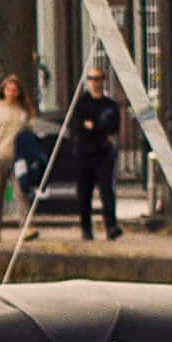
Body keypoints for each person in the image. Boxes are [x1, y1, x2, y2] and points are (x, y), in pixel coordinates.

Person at [60, 72, 127, 240]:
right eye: (92, 79)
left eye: (98, 79)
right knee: (84, 192)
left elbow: (113, 127)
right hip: (84, 153)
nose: (95, 83)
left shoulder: (110, 105)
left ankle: (111, 226)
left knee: (107, 191)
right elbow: (76, 127)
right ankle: (86, 228)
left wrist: (93, 126)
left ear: (103, 81)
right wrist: (94, 128)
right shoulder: (81, 104)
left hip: (104, 153)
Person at [0, 73, 33, 230]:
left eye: (14, 90)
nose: (11, 93)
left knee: (21, 192)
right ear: (3, 91)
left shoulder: (23, 111)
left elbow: (28, 133)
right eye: (8, 89)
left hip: (17, 158)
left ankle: (26, 226)